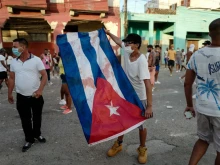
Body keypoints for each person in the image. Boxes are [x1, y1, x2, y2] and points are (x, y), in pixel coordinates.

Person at [105, 30, 153, 164]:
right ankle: (119, 144)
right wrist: (108, 33)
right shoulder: (127, 51)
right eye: (126, 43)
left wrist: (149, 106)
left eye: (129, 43)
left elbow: (148, 84)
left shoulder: (141, 61)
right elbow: (118, 41)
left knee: (141, 125)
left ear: (137, 45)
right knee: (122, 121)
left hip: (139, 97)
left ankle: (142, 148)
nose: (125, 45)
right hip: (125, 95)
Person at [184, 18, 220, 165]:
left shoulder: (197, 55)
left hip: (203, 107)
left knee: (203, 139)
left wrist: (189, 105)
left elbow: (187, 83)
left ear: (209, 34)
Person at [8, 38, 47, 152]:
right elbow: (11, 78)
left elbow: (44, 75)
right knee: (25, 119)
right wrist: (9, 93)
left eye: (15, 46)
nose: (13, 49)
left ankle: (37, 134)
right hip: (21, 96)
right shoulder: (14, 62)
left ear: (23, 47)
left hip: (36, 96)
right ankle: (29, 139)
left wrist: (40, 90)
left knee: (37, 116)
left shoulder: (36, 60)